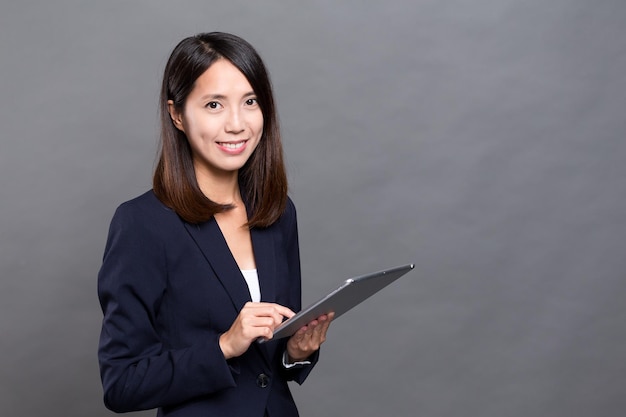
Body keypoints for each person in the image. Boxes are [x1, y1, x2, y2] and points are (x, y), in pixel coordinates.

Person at [97, 32, 333, 417]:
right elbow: (122, 384)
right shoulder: (142, 223)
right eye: (214, 105)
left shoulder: (278, 213)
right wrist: (224, 345)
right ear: (177, 115)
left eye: (250, 102)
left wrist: (295, 353)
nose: (237, 124)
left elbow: (268, 366)